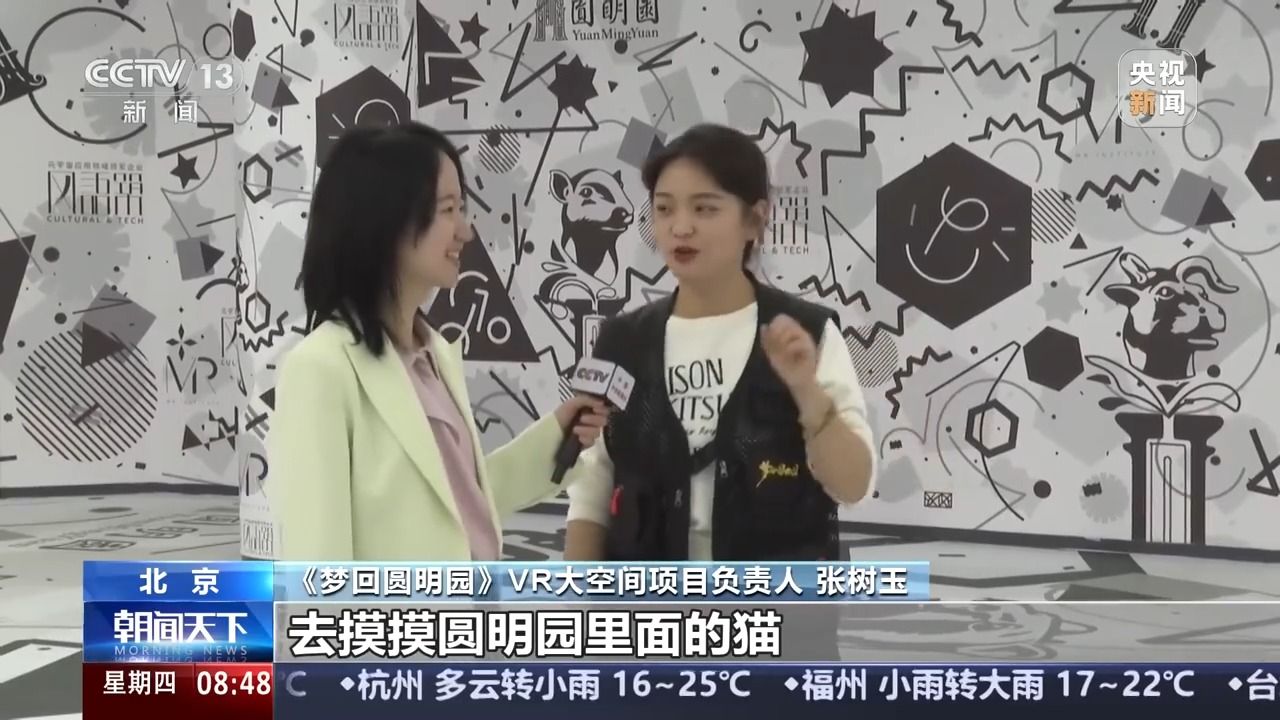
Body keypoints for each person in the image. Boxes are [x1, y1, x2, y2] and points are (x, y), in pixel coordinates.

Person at [269, 122, 609, 561]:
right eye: (448, 209)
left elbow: (454, 502)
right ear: (387, 221)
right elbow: (317, 567)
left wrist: (556, 438)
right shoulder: (320, 368)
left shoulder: (435, 356)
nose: (465, 231)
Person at [564, 123, 877, 563]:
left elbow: (853, 485)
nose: (680, 227)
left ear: (755, 219)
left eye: (705, 209)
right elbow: (592, 489)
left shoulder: (806, 333)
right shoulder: (622, 341)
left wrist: (806, 390)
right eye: (664, 209)